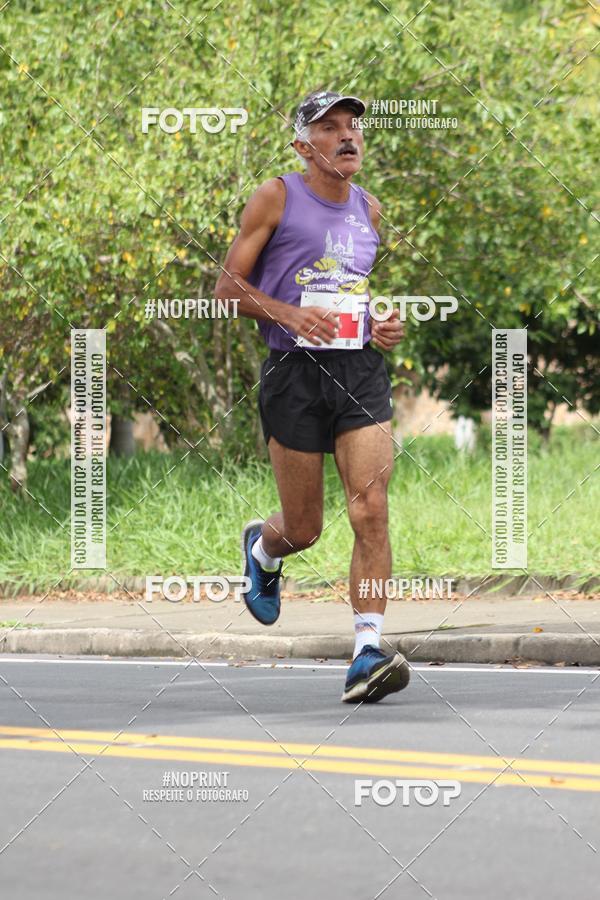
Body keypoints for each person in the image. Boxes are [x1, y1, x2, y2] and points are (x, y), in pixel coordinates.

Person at [215, 89, 410, 703]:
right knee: (304, 528)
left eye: (352, 125)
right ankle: (263, 549)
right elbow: (226, 288)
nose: (347, 135)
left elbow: (354, 290)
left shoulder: (369, 208)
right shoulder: (276, 196)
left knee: (371, 509)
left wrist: (380, 323)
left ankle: (367, 651)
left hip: (359, 370)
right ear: (303, 145)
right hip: (293, 373)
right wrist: (288, 314)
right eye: (329, 127)